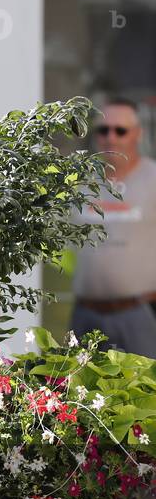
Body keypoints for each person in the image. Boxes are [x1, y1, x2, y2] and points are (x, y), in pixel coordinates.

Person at [71, 97, 156, 357]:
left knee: (145, 393)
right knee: (76, 392)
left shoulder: (153, 179)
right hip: (85, 311)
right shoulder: (79, 181)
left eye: (120, 130)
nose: (111, 137)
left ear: (137, 134)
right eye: (103, 130)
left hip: (140, 313)